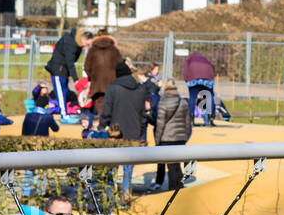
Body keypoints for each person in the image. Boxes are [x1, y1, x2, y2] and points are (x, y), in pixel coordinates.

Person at [100, 61, 149, 198]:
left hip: (115, 133)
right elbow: (143, 115)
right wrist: (140, 131)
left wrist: (102, 126)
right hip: (134, 132)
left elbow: (106, 111)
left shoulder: (113, 89)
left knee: (112, 165)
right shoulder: (140, 90)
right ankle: (126, 193)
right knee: (128, 166)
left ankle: (110, 195)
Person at [150, 79, 192, 192]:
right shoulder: (183, 101)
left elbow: (160, 124)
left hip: (167, 138)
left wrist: (157, 140)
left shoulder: (163, 102)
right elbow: (188, 122)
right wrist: (185, 136)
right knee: (177, 164)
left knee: (171, 166)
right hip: (180, 138)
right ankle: (179, 188)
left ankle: (173, 190)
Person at [45, 29, 93, 115]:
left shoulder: (78, 45)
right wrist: (76, 79)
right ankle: (64, 115)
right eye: (88, 43)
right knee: (60, 93)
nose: (87, 46)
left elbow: (73, 60)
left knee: (64, 92)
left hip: (64, 71)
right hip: (57, 70)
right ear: (84, 39)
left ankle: (65, 113)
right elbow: (70, 62)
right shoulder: (70, 42)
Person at [183, 51, 218, 126]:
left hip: (193, 78)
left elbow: (185, 71)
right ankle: (209, 119)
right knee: (208, 96)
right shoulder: (205, 59)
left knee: (192, 97)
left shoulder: (189, 60)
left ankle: (191, 119)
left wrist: (186, 80)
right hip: (207, 78)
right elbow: (212, 68)